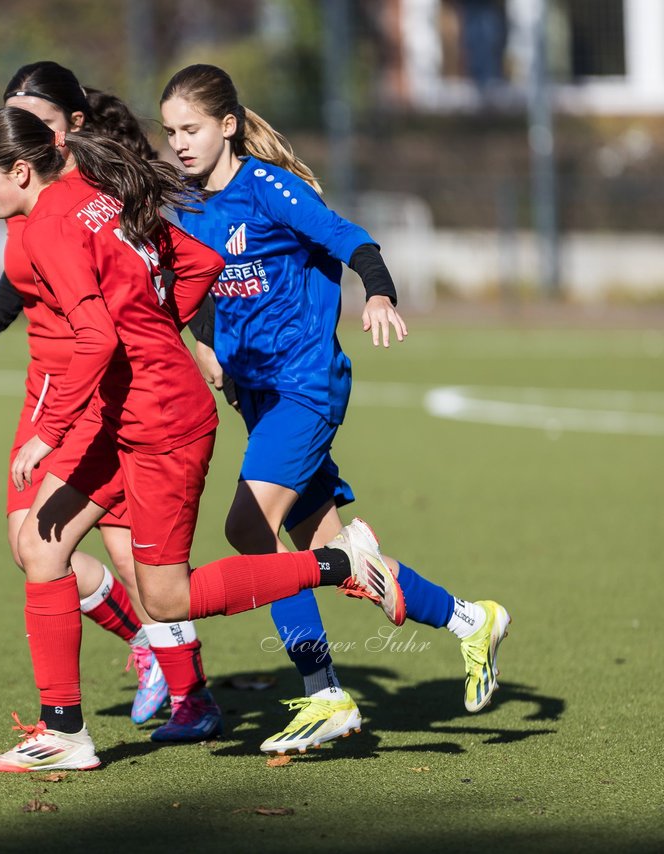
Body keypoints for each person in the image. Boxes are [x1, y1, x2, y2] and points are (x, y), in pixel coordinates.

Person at [0, 106, 410, 773]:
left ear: (21, 170)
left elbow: (97, 337)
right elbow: (195, 261)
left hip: (161, 423)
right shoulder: (92, 193)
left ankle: (341, 564)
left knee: (165, 596)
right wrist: (159, 327)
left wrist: (46, 433)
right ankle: (64, 733)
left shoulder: (51, 226)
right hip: (129, 411)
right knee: (40, 542)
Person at [159, 64, 510, 754]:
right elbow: (200, 291)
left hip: (304, 386)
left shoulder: (269, 188)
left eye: (192, 129)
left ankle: (324, 695)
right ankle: (473, 619)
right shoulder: (193, 205)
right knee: (326, 554)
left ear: (228, 125)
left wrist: (378, 292)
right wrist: (205, 345)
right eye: (171, 132)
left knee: (248, 532)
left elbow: (352, 239)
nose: (180, 143)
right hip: (258, 395)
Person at [0, 62, 204, 736]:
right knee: (37, 544)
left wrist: (156, 337)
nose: (20, 131)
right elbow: (24, 275)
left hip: (98, 392)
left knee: (114, 557)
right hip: (52, 387)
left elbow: (172, 266)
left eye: (35, 118)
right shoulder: (25, 193)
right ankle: (149, 657)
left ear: (71, 126)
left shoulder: (79, 195)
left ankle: (171, 690)